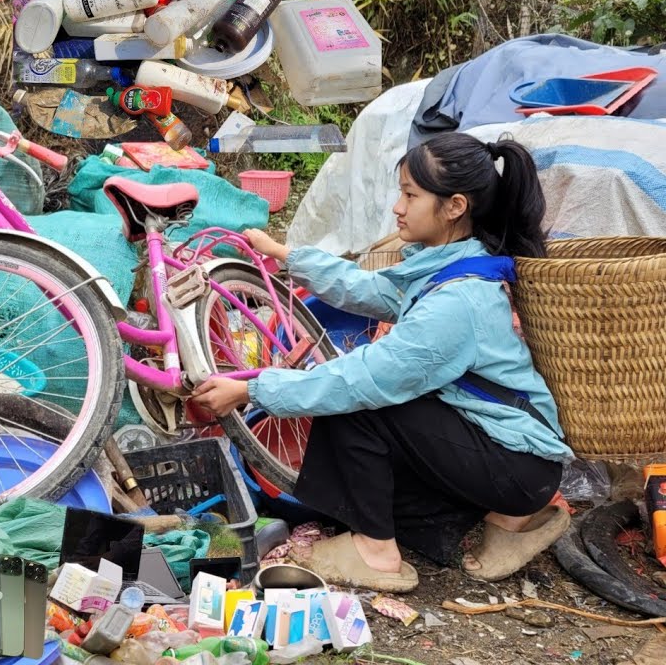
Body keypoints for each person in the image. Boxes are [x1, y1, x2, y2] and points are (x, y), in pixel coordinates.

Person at [191, 132, 573, 592]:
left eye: (411, 195)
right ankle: (503, 518)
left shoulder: (458, 301)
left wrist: (253, 390)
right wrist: (287, 256)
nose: (398, 207)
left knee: (356, 406)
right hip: (509, 456)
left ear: (454, 207)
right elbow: (372, 291)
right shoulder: (451, 264)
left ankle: (377, 552)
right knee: (367, 418)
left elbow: (363, 380)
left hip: (516, 466)